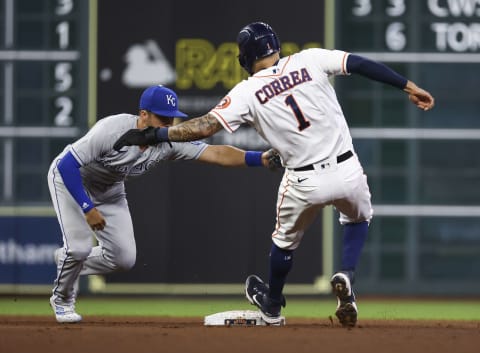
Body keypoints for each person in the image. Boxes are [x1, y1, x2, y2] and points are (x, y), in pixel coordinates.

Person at [113, 22, 435, 327]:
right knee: (358, 218)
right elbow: (361, 63)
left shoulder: (247, 91)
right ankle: (347, 274)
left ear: (245, 57)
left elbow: (205, 127)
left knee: (283, 244)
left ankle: (272, 304)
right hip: (347, 168)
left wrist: (156, 136)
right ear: (275, 46)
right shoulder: (310, 58)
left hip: (303, 180)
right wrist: (408, 85)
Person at [48, 84, 280, 323]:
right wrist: (87, 207)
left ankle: (68, 261)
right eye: (162, 118)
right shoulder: (112, 129)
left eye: (171, 119)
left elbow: (216, 153)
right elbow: (67, 165)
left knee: (123, 258)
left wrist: (259, 158)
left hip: (110, 189)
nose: (167, 125)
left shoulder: (168, 140)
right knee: (78, 248)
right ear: (143, 114)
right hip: (72, 181)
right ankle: (63, 299)